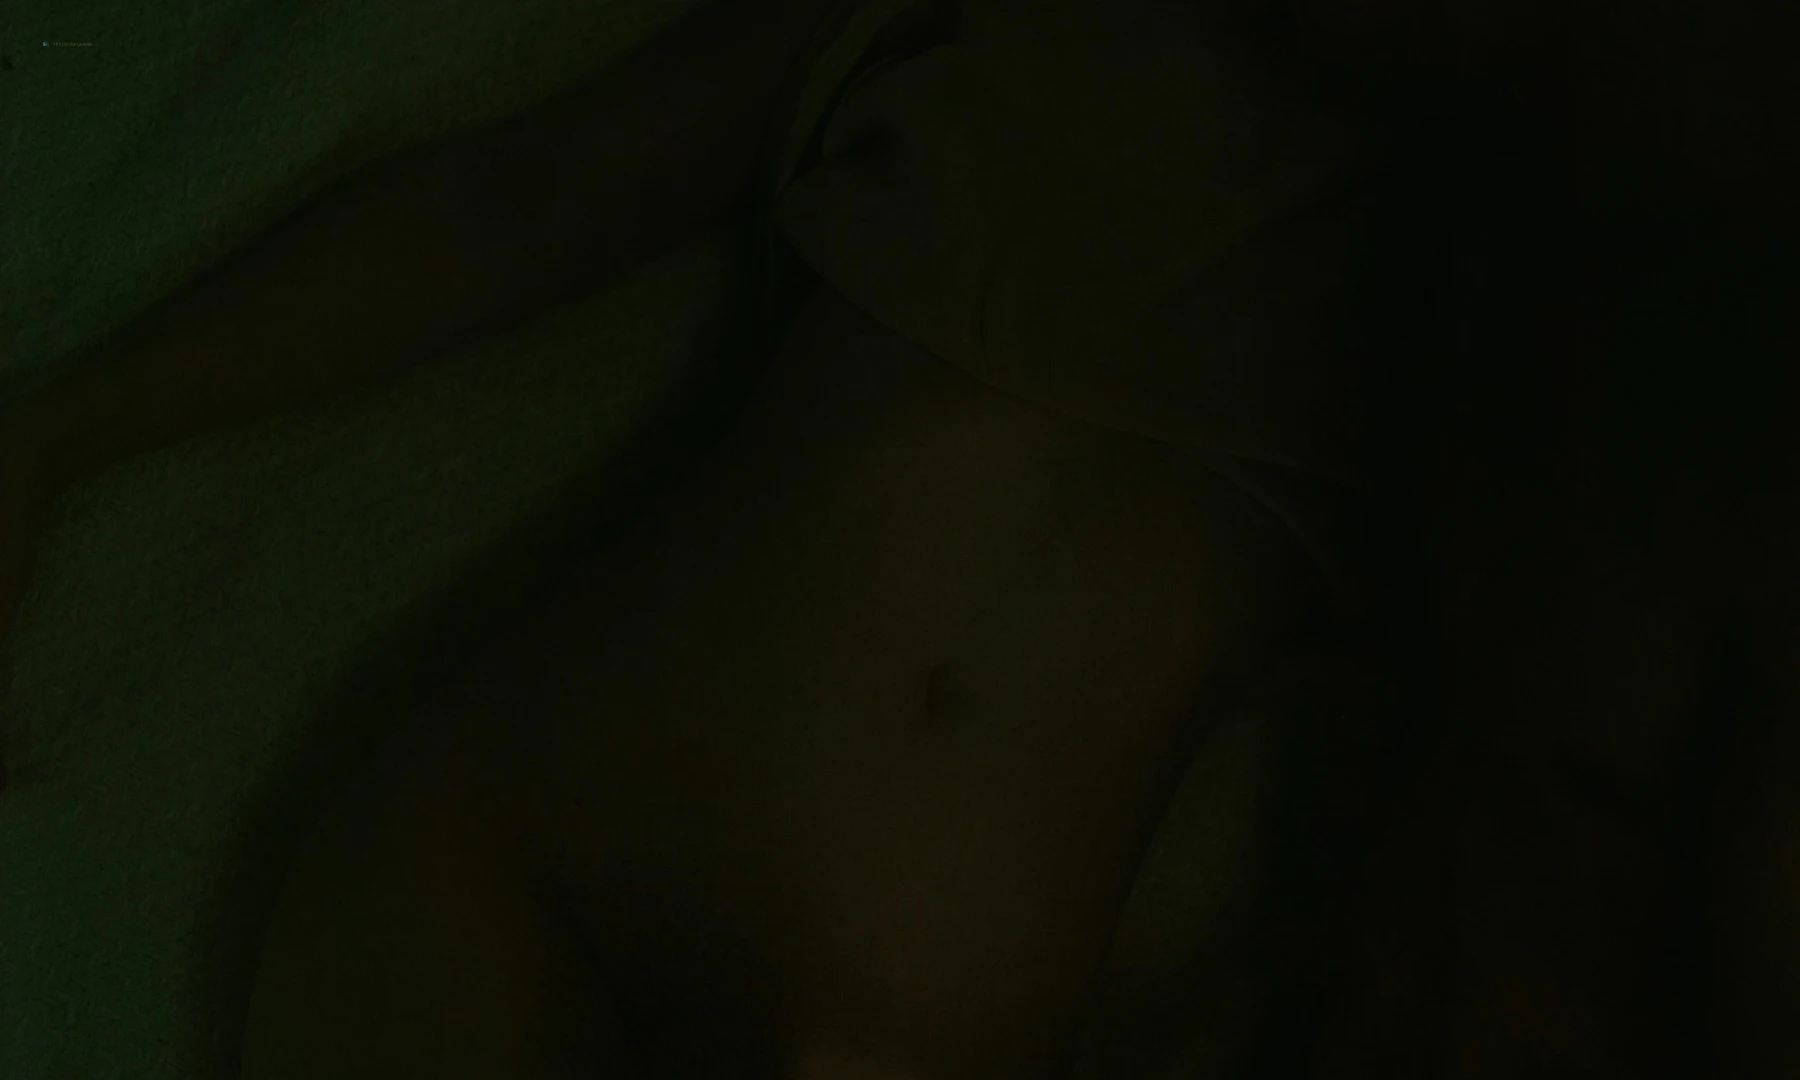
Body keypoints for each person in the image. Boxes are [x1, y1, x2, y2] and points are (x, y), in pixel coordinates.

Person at [0, 0, 1792, 1077]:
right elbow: (526, 198)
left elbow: (1457, 840)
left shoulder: (1532, 301)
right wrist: (66, 427)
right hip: (525, 861)